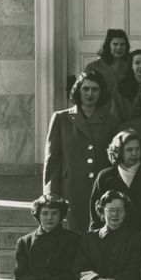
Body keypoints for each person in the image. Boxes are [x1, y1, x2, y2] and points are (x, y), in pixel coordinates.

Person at [43, 71, 118, 232]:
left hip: (99, 190)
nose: (90, 94)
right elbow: (52, 160)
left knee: (96, 235)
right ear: (78, 91)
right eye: (86, 89)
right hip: (71, 189)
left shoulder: (110, 121)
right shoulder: (61, 118)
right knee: (72, 235)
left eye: (95, 89)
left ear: (101, 93)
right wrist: (51, 194)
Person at [89, 127, 141, 231]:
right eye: (129, 149)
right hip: (113, 237)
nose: (134, 153)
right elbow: (95, 214)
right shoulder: (105, 177)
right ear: (118, 151)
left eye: (138, 149)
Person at [85, 28, 132, 98]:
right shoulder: (92, 67)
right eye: (115, 44)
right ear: (108, 45)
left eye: (122, 44)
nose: (119, 47)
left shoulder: (133, 65)